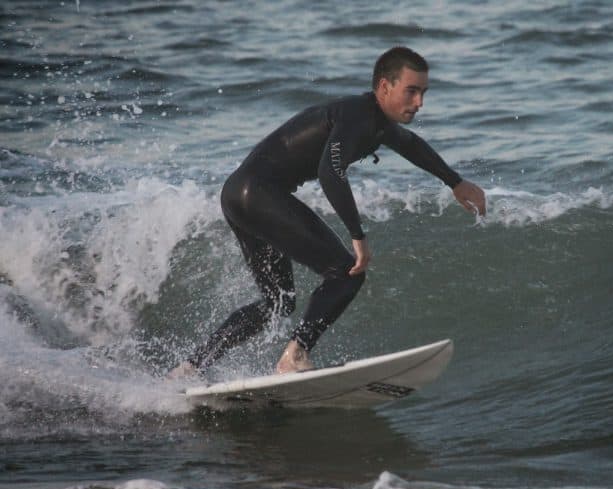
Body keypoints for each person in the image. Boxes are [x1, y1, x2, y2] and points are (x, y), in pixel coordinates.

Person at [168, 46, 485, 378]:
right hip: (259, 194)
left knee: (277, 304)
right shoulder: (359, 116)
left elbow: (411, 145)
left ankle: (190, 367)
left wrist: (455, 182)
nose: (419, 102)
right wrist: (358, 236)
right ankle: (294, 355)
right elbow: (330, 172)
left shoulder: (375, 121)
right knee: (347, 272)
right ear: (384, 87)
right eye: (411, 91)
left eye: (423, 92)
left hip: (237, 194)